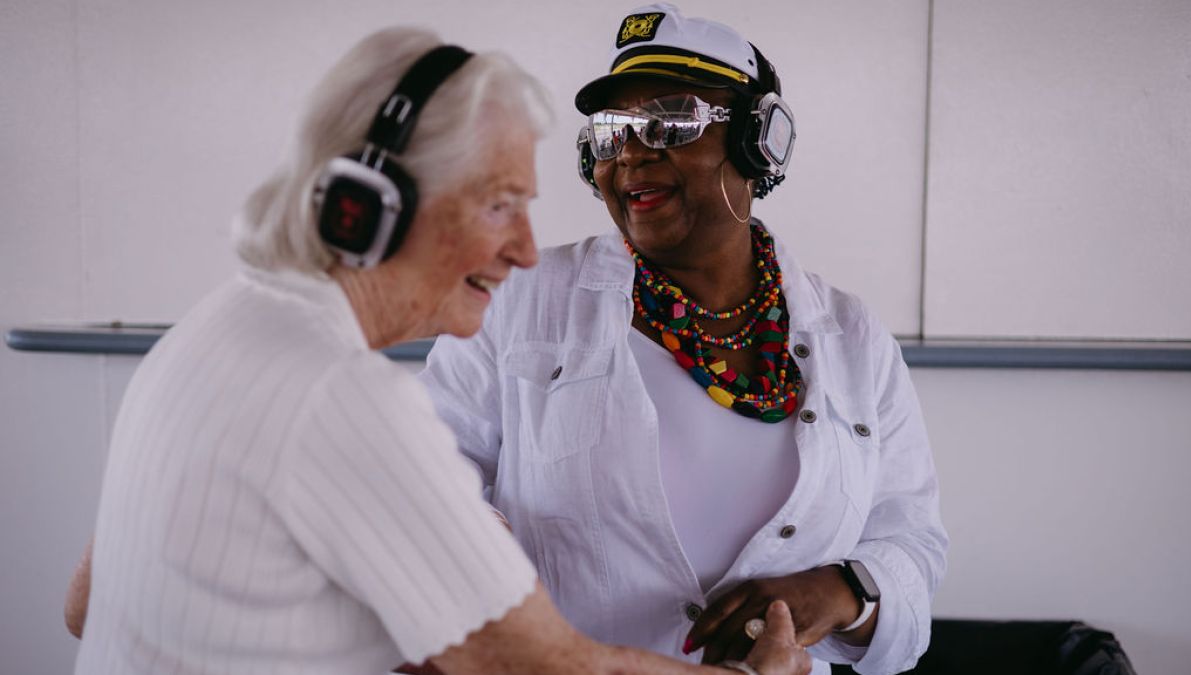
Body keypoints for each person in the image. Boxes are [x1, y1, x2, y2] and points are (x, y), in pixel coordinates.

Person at [69, 26, 810, 675]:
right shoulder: (344, 397)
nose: (525, 250)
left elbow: (85, 601)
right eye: (498, 205)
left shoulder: (224, 325)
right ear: (374, 202)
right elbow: (544, 668)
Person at [418, 5, 948, 675]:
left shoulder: (853, 338)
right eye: (612, 132)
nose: (633, 150)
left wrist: (843, 590)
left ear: (761, 141)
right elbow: (423, 485)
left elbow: (912, 542)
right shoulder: (517, 301)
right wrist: (476, 562)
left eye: (671, 120)